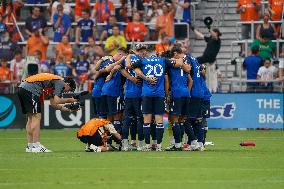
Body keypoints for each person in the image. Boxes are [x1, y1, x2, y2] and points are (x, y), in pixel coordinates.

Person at [130, 45, 186, 151]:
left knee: (146, 121)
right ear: (155, 51)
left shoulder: (143, 61)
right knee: (159, 121)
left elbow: (132, 67)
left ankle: (147, 145)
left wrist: (146, 78)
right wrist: (181, 56)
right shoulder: (163, 60)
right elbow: (179, 63)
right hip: (159, 94)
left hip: (146, 93)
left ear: (147, 52)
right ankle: (159, 146)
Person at [18, 73, 78, 152]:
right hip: (31, 90)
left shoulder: (52, 83)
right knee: (37, 117)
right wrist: (71, 100)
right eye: (69, 89)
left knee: (30, 118)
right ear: (67, 84)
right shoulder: (60, 82)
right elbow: (57, 100)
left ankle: (30, 146)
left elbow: (54, 104)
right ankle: (36, 145)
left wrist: (70, 109)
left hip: (22, 88)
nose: (67, 92)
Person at [120, 44, 147, 151]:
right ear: (137, 51)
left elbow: (120, 68)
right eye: (141, 50)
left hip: (129, 94)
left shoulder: (129, 58)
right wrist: (132, 78)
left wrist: (130, 78)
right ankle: (140, 145)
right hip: (139, 94)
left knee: (127, 119)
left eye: (144, 50)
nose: (143, 52)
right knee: (140, 119)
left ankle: (125, 145)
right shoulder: (143, 60)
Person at [165, 46, 192, 151]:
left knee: (174, 120)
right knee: (181, 120)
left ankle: (177, 145)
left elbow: (166, 80)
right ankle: (182, 143)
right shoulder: (185, 64)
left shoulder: (170, 63)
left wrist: (166, 94)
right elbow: (190, 78)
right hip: (186, 93)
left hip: (176, 93)